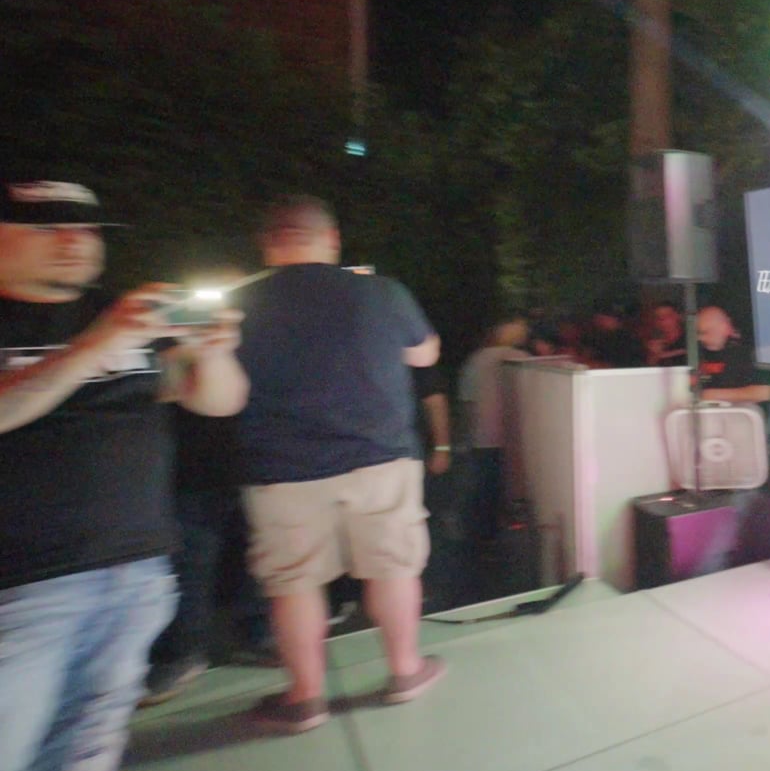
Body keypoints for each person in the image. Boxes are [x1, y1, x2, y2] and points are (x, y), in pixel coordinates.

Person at [1, 177, 247, 771]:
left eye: (86, 228)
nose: (74, 242)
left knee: (84, 744)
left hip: (135, 568)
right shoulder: (106, 325)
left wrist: (214, 352)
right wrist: (97, 343)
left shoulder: (121, 314)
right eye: (46, 227)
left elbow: (217, 402)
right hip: (23, 582)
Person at [232, 196, 445, 735]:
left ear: (268, 244)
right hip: (380, 457)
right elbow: (425, 354)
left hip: (282, 469)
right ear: (331, 239)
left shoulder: (238, 302)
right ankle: (405, 671)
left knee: (294, 583)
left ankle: (305, 698)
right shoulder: (381, 292)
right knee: (393, 568)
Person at [142, 263, 273, 707]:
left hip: (256, 468)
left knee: (260, 563)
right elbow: (164, 389)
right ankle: (182, 654)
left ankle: (258, 635)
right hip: (190, 473)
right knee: (189, 570)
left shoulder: (259, 338)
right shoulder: (169, 341)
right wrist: (190, 346)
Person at [457, 316, 529, 542]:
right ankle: (514, 533)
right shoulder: (524, 359)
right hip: (518, 439)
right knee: (514, 490)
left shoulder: (476, 360)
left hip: (484, 436)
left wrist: (467, 434)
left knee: (484, 490)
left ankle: (482, 539)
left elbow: (467, 401)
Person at [692, 305, 770, 404]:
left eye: (705, 332)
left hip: (740, 411)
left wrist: (715, 395)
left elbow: (766, 392)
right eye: (699, 333)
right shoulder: (699, 353)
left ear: (724, 327)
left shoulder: (745, 353)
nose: (700, 338)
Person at [643, 301, 687, 367]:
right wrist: (653, 355)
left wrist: (663, 355)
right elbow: (649, 367)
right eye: (658, 317)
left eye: (667, 315)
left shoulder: (690, 338)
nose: (662, 320)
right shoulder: (654, 341)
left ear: (678, 316)